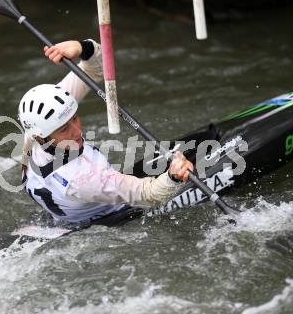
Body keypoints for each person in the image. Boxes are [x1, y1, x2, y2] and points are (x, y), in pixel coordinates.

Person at [18, 39, 194, 226]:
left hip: (71, 210)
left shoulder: (38, 126)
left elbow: (94, 70)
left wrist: (83, 48)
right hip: (119, 216)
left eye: (75, 118)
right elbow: (149, 194)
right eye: (64, 129)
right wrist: (173, 177)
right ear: (42, 137)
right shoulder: (83, 179)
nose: (77, 130)